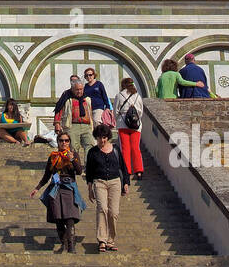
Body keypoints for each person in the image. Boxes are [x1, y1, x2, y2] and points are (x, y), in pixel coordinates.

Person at [29, 132, 85, 253]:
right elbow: (47, 175)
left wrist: (72, 159)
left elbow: (79, 171)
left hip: (69, 187)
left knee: (70, 218)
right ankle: (63, 242)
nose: (64, 143)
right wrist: (37, 188)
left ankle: (71, 247)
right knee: (58, 218)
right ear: (58, 142)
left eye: (66, 141)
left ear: (69, 142)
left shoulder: (73, 154)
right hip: (56, 187)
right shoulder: (53, 156)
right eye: (61, 141)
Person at [85, 123, 130, 252]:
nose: (102, 140)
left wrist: (126, 182)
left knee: (113, 212)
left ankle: (111, 240)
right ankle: (102, 240)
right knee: (102, 209)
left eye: (104, 137)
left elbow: (123, 167)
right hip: (99, 182)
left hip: (115, 182)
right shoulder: (92, 152)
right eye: (99, 137)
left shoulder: (115, 149)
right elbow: (89, 172)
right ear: (96, 138)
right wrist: (89, 189)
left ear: (108, 137)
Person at [113, 78, 144, 180]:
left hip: (123, 125)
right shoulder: (137, 96)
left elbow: (116, 111)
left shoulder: (119, 95)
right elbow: (140, 112)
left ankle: (127, 171)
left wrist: (120, 118)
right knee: (136, 148)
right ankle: (139, 171)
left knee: (125, 148)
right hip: (136, 126)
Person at [56, 77, 95, 156]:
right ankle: (75, 166)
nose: (79, 91)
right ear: (73, 89)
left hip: (86, 125)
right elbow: (58, 110)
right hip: (72, 126)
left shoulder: (87, 98)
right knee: (73, 147)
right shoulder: (66, 98)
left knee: (90, 146)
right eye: (77, 89)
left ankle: (88, 167)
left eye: (81, 89)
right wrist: (57, 123)